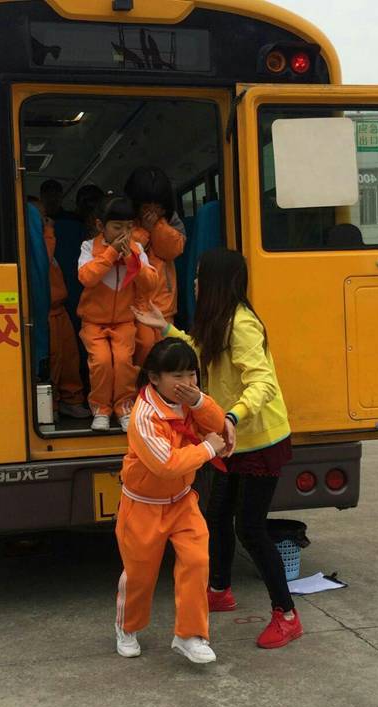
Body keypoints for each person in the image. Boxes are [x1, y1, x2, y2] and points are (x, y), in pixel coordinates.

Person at [132, 249, 303, 650]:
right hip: (230, 436)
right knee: (217, 514)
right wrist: (167, 329)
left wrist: (231, 416)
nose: (194, 283)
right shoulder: (217, 320)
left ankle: (287, 615)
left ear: (215, 282)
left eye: (199, 276)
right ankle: (220, 590)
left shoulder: (242, 324)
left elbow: (263, 383)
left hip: (259, 439)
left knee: (250, 528)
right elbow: (201, 348)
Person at [115, 337, 227, 663]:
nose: (187, 383)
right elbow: (166, 465)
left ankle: (190, 635)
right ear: (154, 377)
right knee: (139, 575)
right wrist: (207, 449)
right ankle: (127, 627)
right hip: (143, 505)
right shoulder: (143, 416)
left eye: (191, 374)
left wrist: (201, 401)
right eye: (177, 376)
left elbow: (217, 424)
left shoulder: (190, 399)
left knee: (197, 561)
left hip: (182, 500)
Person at [77, 196, 157, 432]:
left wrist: (131, 259)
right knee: (101, 362)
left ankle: (124, 407)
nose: (124, 233)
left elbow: (150, 283)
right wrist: (111, 254)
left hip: (124, 321)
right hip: (93, 322)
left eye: (129, 227)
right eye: (117, 227)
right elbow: (86, 277)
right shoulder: (89, 247)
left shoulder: (137, 249)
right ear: (101, 226)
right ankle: (101, 409)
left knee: (123, 363)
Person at [28, 196, 89, 421]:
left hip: (60, 310)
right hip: (45, 312)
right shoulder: (36, 243)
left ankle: (72, 400)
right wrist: (47, 231)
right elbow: (44, 259)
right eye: (41, 218)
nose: (47, 222)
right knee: (51, 360)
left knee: (70, 360)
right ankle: (50, 404)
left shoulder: (47, 240)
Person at [124, 167, 186, 365]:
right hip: (130, 304)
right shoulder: (123, 219)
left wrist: (156, 228)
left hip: (163, 304)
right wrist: (143, 232)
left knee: (165, 354)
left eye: (157, 206)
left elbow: (172, 250)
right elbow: (125, 252)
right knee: (140, 350)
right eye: (145, 205)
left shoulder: (171, 220)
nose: (151, 211)